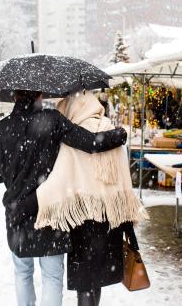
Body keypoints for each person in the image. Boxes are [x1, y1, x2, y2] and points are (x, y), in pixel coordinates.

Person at [0, 90, 127, 306]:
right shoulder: (52, 120)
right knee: (52, 277)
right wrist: (118, 135)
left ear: (13, 95)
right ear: (39, 94)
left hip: (16, 213)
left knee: (22, 274)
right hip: (50, 209)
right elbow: (90, 143)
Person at [35, 91, 147, 306]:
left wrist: (39, 195)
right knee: (99, 276)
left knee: (85, 278)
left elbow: (61, 178)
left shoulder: (73, 134)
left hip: (83, 218)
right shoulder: (111, 129)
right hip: (110, 215)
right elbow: (124, 174)